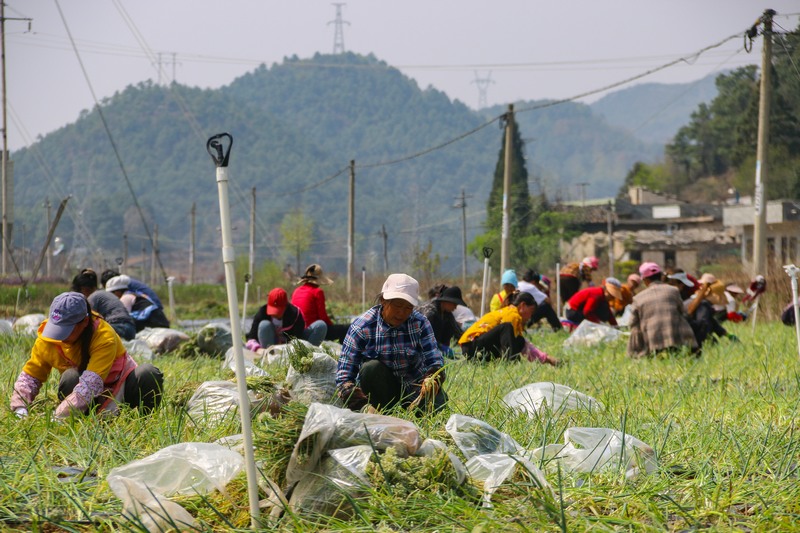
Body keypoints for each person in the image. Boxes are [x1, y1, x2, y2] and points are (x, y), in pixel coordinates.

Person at [10, 292, 163, 419]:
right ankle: (80, 419)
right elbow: (31, 376)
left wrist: (58, 416)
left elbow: (90, 384)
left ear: (84, 322)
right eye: (57, 327)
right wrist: (20, 407)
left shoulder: (103, 336)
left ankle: (142, 419)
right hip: (86, 400)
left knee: (147, 373)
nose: (60, 337)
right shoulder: (47, 338)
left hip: (118, 386)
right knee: (70, 376)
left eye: (67, 329)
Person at [336, 273, 446, 412]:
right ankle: (382, 411)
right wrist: (361, 406)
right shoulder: (362, 327)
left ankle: (414, 408)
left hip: (414, 389)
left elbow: (435, 361)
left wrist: (433, 379)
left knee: (439, 406)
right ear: (383, 300)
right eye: (397, 306)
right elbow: (344, 377)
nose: (401, 313)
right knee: (371, 368)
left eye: (408, 308)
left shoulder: (420, 323)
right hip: (380, 392)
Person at [459, 292, 559, 365]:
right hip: (471, 347)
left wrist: (547, 359)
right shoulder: (512, 315)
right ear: (522, 305)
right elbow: (507, 339)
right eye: (531, 311)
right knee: (507, 328)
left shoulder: (513, 315)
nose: (530, 316)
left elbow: (524, 346)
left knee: (519, 340)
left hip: (476, 348)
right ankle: (510, 363)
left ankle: (509, 362)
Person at [627, 262, 698, 358]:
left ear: (645, 280)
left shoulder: (638, 298)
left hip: (653, 343)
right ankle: (692, 349)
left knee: (635, 328)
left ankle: (639, 355)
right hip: (676, 340)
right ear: (660, 276)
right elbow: (682, 311)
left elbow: (632, 322)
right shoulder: (674, 291)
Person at [245, 287, 326, 349]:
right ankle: (269, 357)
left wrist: (292, 349)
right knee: (264, 325)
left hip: (291, 347)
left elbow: (298, 338)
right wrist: (257, 349)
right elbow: (251, 338)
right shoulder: (262, 313)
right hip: (271, 346)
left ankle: (306, 357)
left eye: (278, 311)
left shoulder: (295, 315)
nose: (274, 314)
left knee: (320, 325)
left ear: (285, 306)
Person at [72, 268, 137, 341]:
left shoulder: (92, 298)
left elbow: (87, 322)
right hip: (130, 329)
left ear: (84, 289)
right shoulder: (103, 294)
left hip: (119, 327)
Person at [291, 263, 349, 343]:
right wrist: (332, 326)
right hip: (313, 330)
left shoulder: (296, 291)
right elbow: (323, 317)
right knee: (347, 328)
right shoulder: (317, 292)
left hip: (298, 331)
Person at [105, 275, 171, 332]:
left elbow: (122, 318)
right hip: (161, 323)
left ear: (118, 291)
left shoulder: (126, 298)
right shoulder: (134, 294)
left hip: (155, 325)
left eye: (112, 293)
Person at [417, 285, 467, 357]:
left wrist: (468, 341)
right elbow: (424, 336)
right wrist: (441, 347)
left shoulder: (447, 314)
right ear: (445, 301)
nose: (455, 307)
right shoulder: (430, 312)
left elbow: (458, 331)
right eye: (454, 304)